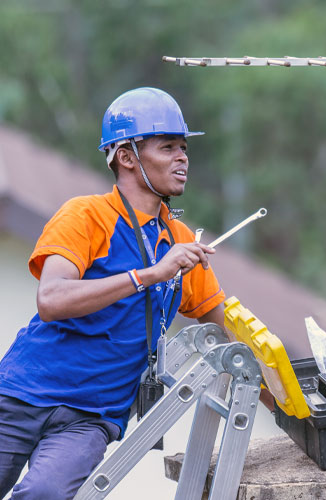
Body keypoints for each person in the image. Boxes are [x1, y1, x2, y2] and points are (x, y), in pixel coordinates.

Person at [0, 87, 227, 498]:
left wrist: (290, 406)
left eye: (184, 147)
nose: (183, 157)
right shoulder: (85, 215)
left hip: (90, 417)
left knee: (44, 496)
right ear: (126, 157)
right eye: (168, 146)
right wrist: (147, 275)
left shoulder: (177, 245)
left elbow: (231, 336)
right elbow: (51, 300)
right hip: (20, 394)